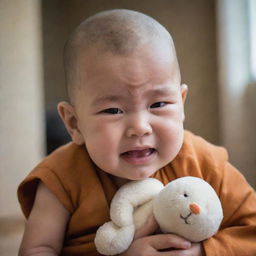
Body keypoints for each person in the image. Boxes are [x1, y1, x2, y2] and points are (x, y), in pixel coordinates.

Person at [18, 9, 256, 256]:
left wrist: (202, 252)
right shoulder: (61, 178)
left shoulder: (206, 164)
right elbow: (37, 250)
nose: (140, 127)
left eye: (158, 104)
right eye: (113, 110)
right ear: (74, 124)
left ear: (181, 104)